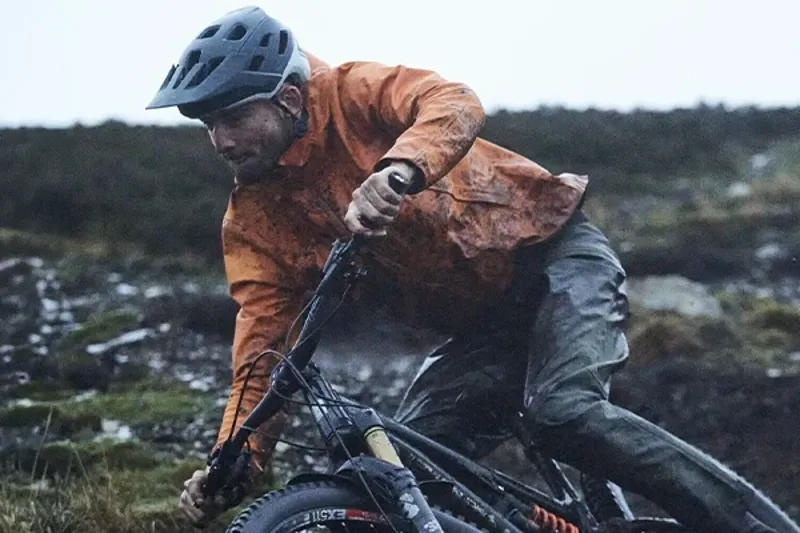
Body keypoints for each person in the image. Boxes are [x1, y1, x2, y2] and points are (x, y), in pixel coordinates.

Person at [146, 6, 796, 533]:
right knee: (391, 464)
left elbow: (450, 100)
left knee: (562, 411)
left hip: (553, 260)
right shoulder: (256, 218)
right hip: (482, 329)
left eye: (234, 117)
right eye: (208, 124)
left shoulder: (351, 93)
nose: (221, 140)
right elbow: (261, 345)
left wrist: (397, 171)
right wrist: (235, 458)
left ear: (288, 98)